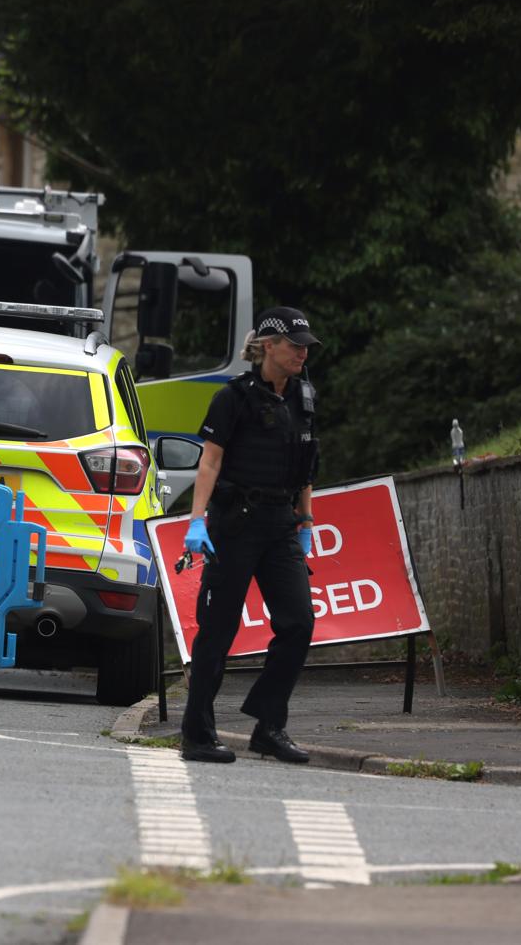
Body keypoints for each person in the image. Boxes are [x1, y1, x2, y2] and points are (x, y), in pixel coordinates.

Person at [179, 306, 322, 765]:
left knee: (299, 623)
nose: (303, 351)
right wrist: (196, 520)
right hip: (235, 524)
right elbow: (210, 462)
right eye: (295, 344)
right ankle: (198, 734)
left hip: (282, 524)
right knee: (218, 632)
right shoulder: (233, 398)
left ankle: (268, 726)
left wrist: (307, 522)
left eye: (305, 345)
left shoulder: (305, 397)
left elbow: (306, 467)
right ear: (268, 346)